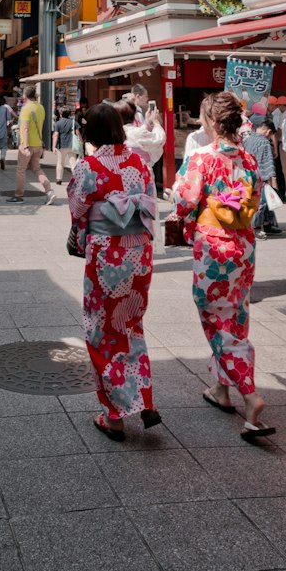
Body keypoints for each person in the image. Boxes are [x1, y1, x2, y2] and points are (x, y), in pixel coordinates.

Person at [171, 91, 274, 440]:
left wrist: (183, 200)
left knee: (217, 320)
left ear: (213, 123)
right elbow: (256, 199)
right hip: (243, 245)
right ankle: (221, 390)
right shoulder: (248, 159)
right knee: (236, 315)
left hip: (213, 248)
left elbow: (183, 199)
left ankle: (250, 395)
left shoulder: (203, 157)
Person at [68, 102, 159, 441]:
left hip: (108, 254)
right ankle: (143, 399)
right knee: (130, 324)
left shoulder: (89, 166)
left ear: (87, 132)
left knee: (102, 331)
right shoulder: (140, 161)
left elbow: (77, 210)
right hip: (139, 252)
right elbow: (148, 201)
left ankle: (114, 415)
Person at [243, 111, 283, 237]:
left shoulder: (248, 139)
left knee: (259, 202)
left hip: (247, 173)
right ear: (268, 132)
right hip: (261, 175)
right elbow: (268, 162)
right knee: (262, 203)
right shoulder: (265, 142)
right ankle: (256, 227)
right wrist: (272, 179)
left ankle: (267, 224)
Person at [14, 85, 53, 203]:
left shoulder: (26, 109)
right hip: (38, 145)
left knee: (21, 169)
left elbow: (25, 128)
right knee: (37, 169)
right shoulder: (40, 107)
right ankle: (49, 190)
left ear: (25, 95)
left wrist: (25, 146)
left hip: (28, 145)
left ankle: (18, 195)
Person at [124, 102, 167, 196]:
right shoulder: (136, 132)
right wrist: (156, 122)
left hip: (123, 173)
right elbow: (159, 139)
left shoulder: (121, 131)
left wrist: (147, 121)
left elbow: (140, 132)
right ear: (133, 115)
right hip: (142, 171)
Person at [53, 106, 77, 185]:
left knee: (60, 162)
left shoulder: (58, 123)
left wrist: (53, 146)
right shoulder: (73, 122)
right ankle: (76, 178)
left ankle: (59, 179)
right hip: (72, 145)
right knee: (73, 162)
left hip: (62, 145)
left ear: (61, 114)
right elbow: (78, 133)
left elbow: (56, 135)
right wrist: (80, 142)